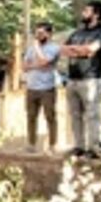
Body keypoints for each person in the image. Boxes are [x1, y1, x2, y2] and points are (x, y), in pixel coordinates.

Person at [61, 0, 101, 159]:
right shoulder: (77, 33)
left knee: (92, 115)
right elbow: (63, 49)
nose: (83, 13)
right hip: (72, 79)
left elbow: (92, 49)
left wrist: (82, 50)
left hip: (92, 79)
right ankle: (79, 146)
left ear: (96, 14)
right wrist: (81, 51)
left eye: (87, 11)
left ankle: (94, 148)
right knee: (75, 114)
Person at [23, 22, 61, 153]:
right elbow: (25, 66)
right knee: (31, 116)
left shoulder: (54, 48)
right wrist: (37, 64)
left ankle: (53, 144)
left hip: (47, 88)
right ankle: (31, 143)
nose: (37, 36)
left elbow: (45, 62)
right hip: (31, 87)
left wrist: (38, 51)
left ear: (49, 34)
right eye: (36, 33)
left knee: (50, 116)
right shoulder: (30, 48)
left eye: (41, 33)